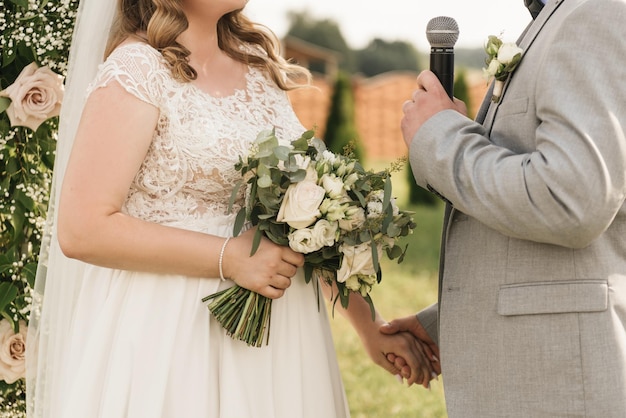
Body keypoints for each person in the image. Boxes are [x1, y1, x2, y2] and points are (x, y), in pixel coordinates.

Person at [25, 0, 435, 417]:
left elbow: (303, 219)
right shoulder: (137, 69)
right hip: (173, 334)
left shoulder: (258, 64)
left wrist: (370, 328)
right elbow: (83, 228)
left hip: (282, 338)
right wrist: (230, 258)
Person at [381, 0, 626, 416]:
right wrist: (449, 319)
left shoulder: (593, 14)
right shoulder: (558, 18)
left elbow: (571, 199)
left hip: (559, 386)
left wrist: (440, 136)